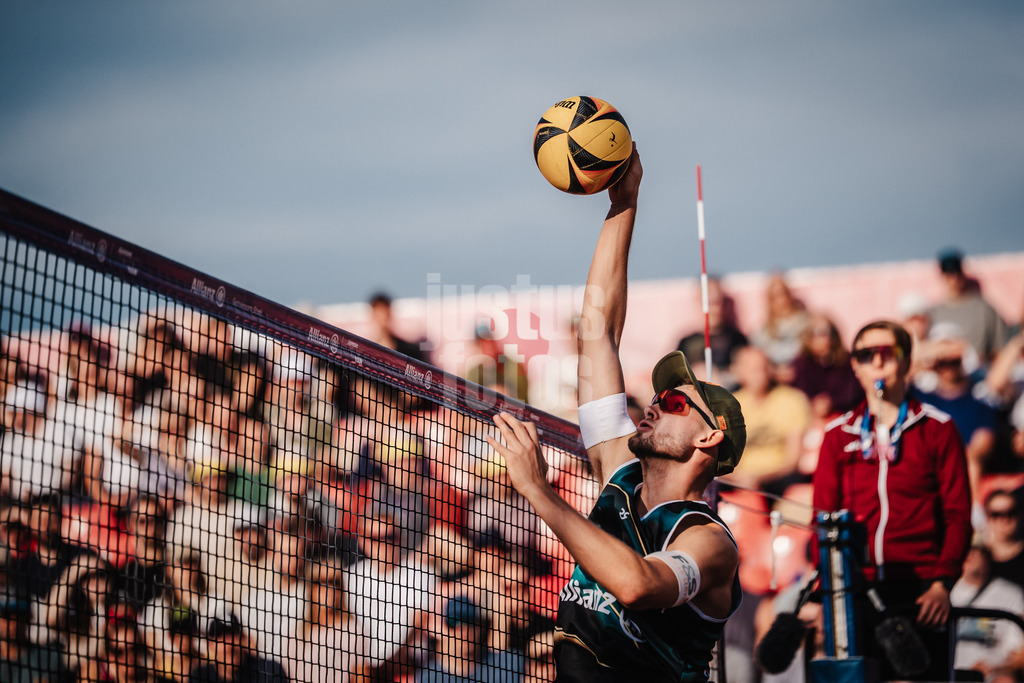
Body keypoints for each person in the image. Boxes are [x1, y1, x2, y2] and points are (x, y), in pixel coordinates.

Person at [486, 145, 746, 682]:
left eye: (674, 403)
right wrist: (623, 203)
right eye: (657, 397)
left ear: (708, 439)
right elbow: (597, 331)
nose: (652, 406)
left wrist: (538, 491)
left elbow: (638, 586)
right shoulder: (619, 471)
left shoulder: (708, 541)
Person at [812, 320, 973, 680]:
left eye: (888, 352)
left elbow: (959, 515)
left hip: (921, 590)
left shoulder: (938, 428)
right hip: (855, 590)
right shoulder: (838, 435)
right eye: (866, 355)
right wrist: (827, 594)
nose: (878, 362)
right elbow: (822, 521)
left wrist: (942, 583)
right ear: (854, 365)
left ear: (907, 360)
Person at [723, 345, 811, 499]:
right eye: (751, 369)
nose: (759, 374)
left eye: (762, 367)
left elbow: (793, 459)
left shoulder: (793, 400)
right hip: (739, 480)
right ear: (738, 371)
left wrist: (759, 478)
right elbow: (722, 459)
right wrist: (740, 478)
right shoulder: (730, 405)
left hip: (779, 479)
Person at [950, 538, 1024, 682]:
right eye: (964, 549)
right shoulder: (945, 593)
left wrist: (995, 668)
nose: (968, 554)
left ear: (987, 555)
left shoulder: (1011, 594)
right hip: (949, 673)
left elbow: (1019, 652)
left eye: (975, 550)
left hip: (991, 675)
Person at [413, 594, 524, 682]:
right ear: (445, 627)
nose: (463, 629)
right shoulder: (429, 678)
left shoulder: (508, 664)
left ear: (479, 626)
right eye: (454, 621)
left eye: (469, 621)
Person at [928, 248, 1010, 365]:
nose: (953, 279)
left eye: (956, 272)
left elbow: (1000, 349)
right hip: (944, 378)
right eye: (948, 273)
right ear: (942, 275)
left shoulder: (984, 309)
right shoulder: (932, 313)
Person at [674, 277, 748, 389]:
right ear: (699, 302)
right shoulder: (686, 342)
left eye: (718, 301)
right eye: (709, 301)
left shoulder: (737, 339)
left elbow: (747, 372)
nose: (715, 308)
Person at [188, 608, 288, 683]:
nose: (228, 645)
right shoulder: (200, 676)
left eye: (233, 635)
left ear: (243, 638)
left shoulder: (269, 671)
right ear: (209, 645)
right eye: (221, 638)